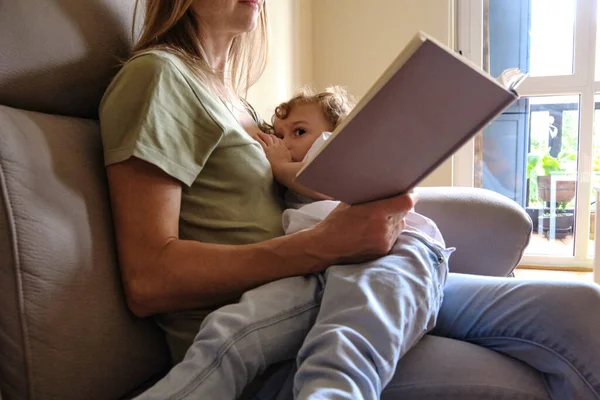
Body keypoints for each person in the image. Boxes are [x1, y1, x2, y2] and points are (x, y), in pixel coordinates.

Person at [99, 0, 600, 399]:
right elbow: (149, 279)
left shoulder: (239, 100)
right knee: (525, 382)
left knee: (584, 311)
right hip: (273, 339)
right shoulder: (158, 77)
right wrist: (325, 245)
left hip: (336, 285)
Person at [129, 86, 453, 399]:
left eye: (299, 132)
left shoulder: (331, 150)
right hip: (319, 267)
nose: (284, 143)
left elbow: (327, 186)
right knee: (228, 328)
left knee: (342, 342)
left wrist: (281, 166)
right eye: (280, 134)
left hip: (383, 253)